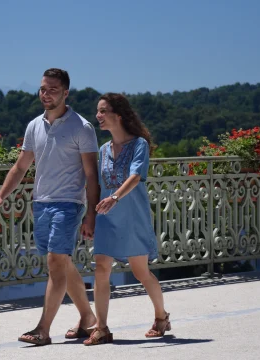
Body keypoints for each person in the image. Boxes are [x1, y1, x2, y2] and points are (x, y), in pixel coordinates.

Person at [0, 68, 100, 346]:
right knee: (62, 262)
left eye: (52, 89)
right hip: (40, 203)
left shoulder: (81, 127)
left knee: (54, 261)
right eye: (42, 89)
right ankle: (88, 318)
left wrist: (91, 213)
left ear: (65, 93)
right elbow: (21, 166)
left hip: (69, 204)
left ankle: (43, 329)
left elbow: (91, 176)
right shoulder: (34, 125)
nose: (45, 94)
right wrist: (1, 195)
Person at [83, 93, 171, 346]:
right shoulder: (103, 150)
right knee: (101, 269)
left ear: (118, 115)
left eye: (103, 111)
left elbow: (135, 176)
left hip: (132, 216)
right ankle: (101, 328)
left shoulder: (139, 145)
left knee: (140, 272)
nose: (98, 116)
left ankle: (161, 316)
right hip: (106, 217)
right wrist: (90, 216)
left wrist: (116, 198)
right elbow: (98, 185)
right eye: (97, 111)